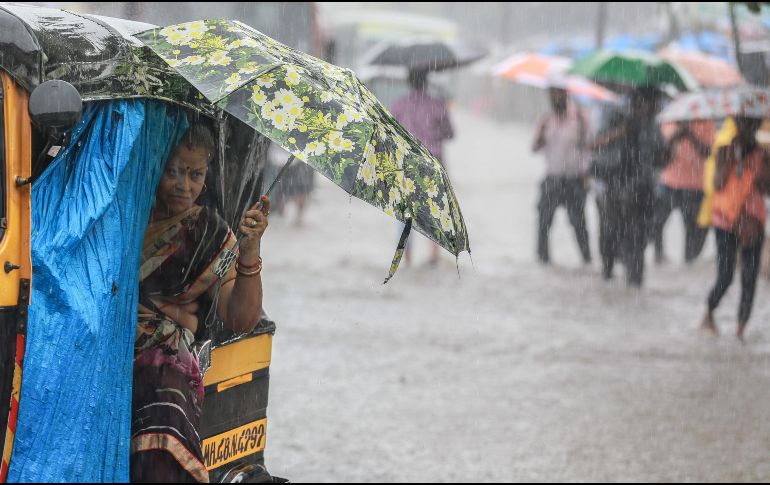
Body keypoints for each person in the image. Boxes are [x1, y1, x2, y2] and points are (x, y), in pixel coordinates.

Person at [130, 123, 270, 483]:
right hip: (112, 347)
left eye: (195, 174)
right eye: (174, 172)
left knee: (165, 382)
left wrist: (249, 251)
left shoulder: (209, 232)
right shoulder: (126, 218)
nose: (184, 185)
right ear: (155, 166)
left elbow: (240, 318)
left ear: (207, 176)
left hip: (164, 362)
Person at [701, 116, 770, 341]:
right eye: (743, 124)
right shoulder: (724, 150)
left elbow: (767, 189)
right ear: (736, 126)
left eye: (752, 125)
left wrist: (758, 174)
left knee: (749, 278)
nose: (747, 129)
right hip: (725, 221)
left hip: (753, 222)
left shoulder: (764, 155)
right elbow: (718, 183)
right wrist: (734, 161)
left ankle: (740, 329)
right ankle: (710, 311)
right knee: (726, 275)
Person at [590, 87, 668, 287]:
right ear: (636, 102)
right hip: (614, 190)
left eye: (654, 106)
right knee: (609, 240)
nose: (651, 109)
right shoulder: (613, 115)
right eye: (648, 104)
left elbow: (660, 159)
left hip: (642, 194)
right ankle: (608, 278)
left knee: (637, 245)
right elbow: (595, 144)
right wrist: (622, 131)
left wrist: (668, 152)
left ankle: (634, 288)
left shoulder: (652, 126)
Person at [391, 68, 454, 265]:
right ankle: (434, 254)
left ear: (408, 82)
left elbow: (390, 133)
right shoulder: (438, 105)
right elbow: (450, 133)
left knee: (405, 214)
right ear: (426, 82)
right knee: (434, 211)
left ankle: (406, 259)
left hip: (407, 165)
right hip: (432, 164)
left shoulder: (399, 105)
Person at [531, 86, 592, 265]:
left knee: (579, 224)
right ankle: (543, 261)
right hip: (552, 178)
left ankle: (587, 260)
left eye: (558, 93)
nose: (555, 97)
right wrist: (540, 133)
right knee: (544, 224)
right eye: (552, 94)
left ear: (566, 95)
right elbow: (534, 148)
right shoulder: (545, 119)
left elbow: (589, 148)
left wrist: (586, 173)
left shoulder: (580, 119)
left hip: (575, 180)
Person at [652, 120, 714, 264]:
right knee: (657, 222)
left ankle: (688, 261)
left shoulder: (706, 124)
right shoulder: (669, 123)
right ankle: (659, 256)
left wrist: (690, 134)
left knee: (693, 229)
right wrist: (676, 136)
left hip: (695, 185)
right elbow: (660, 155)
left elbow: (708, 153)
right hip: (669, 182)